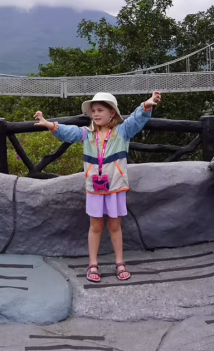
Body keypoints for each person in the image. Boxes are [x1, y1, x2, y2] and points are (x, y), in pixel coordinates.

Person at [34, 90, 161, 282]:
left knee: (115, 226)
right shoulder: (87, 134)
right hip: (95, 188)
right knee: (95, 226)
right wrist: (49, 124)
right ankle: (92, 263)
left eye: (100, 110)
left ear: (112, 113)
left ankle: (119, 262)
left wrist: (147, 104)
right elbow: (70, 132)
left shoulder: (122, 132)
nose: (95, 114)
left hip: (115, 188)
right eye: (93, 111)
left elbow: (136, 119)